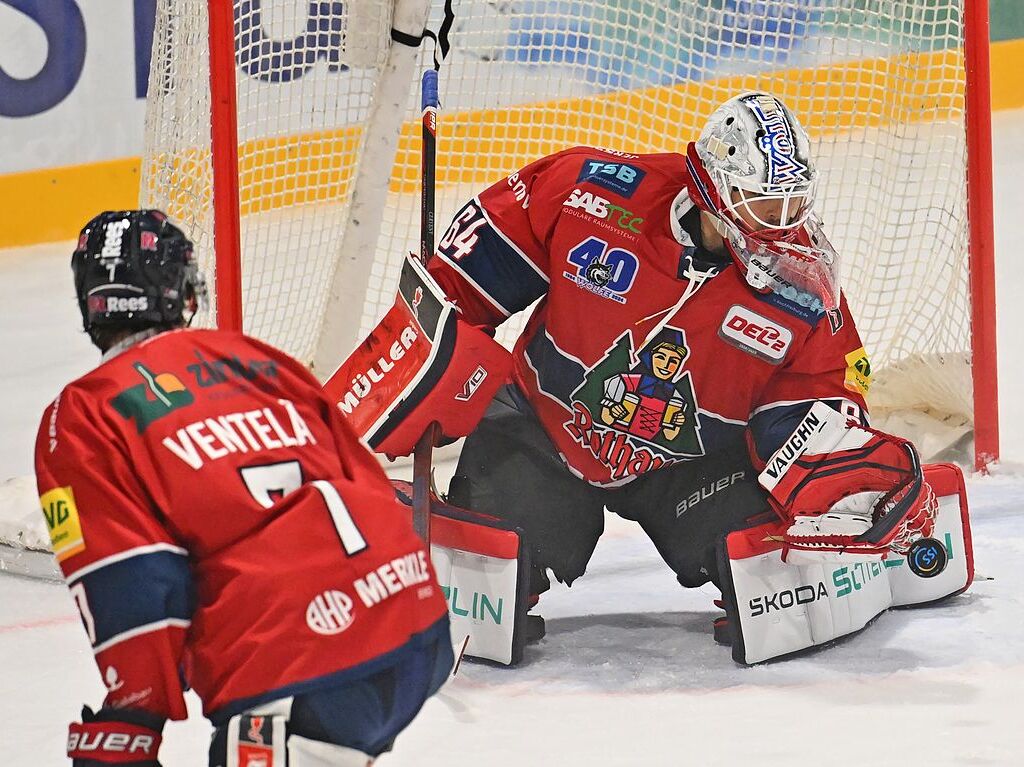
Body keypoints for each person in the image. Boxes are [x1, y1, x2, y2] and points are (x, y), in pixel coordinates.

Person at [426, 92, 934, 628]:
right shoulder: (589, 193)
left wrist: (835, 464)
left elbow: (822, 385)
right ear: (712, 188)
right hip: (542, 432)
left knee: (780, 571)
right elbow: (466, 275)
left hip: (692, 465)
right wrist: (428, 352)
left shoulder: (802, 280)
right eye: (762, 203)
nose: (780, 223)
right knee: (481, 581)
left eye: (791, 204)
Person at [35, 210, 453, 767]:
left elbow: (129, 578)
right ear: (180, 292)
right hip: (417, 620)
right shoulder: (257, 359)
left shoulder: (83, 414)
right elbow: (364, 478)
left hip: (302, 662)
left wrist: (134, 717)